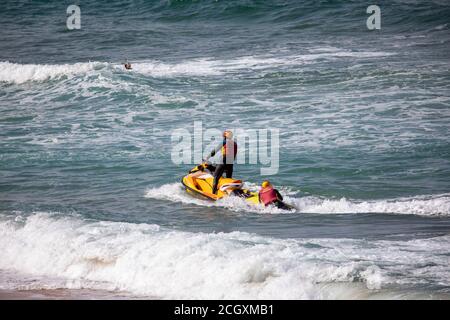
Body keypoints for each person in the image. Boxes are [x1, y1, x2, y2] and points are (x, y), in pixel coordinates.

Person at [205, 130, 237, 194]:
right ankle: (229, 194)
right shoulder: (235, 143)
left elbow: (214, 151)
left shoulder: (224, 142)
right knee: (228, 180)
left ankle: (213, 194)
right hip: (230, 165)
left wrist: (207, 157)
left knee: (215, 178)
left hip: (223, 162)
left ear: (224, 136)